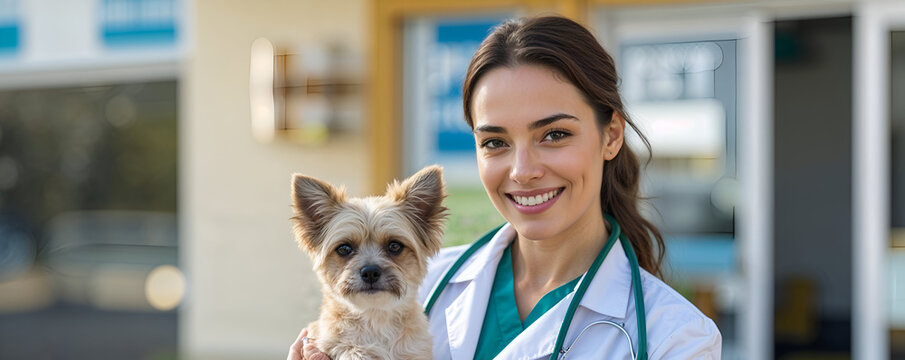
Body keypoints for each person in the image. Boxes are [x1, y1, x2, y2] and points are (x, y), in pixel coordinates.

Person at [289, 15, 721, 360]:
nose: (522, 170)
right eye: (495, 142)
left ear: (610, 136)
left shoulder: (676, 337)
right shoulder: (429, 282)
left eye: (554, 134)